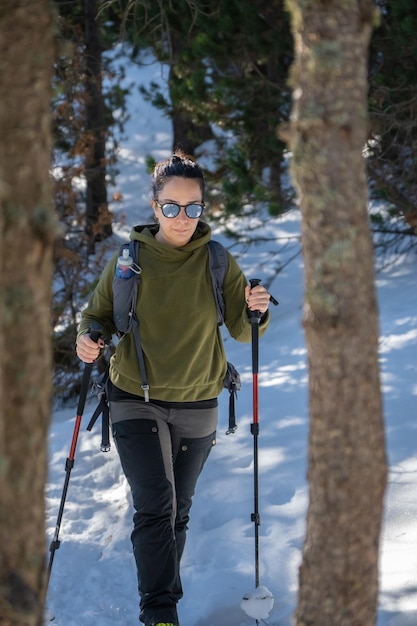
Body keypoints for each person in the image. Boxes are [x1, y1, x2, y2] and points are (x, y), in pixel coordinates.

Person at [76, 151, 271, 626]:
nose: (182, 218)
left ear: (203, 208)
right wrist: (88, 339)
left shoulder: (218, 262)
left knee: (178, 510)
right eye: (171, 207)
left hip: (199, 399)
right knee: (156, 504)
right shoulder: (130, 259)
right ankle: (159, 613)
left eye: (192, 208)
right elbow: (96, 315)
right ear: (155, 205)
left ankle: (164, 598)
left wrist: (258, 310)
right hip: (133, 400)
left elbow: (245, 332)